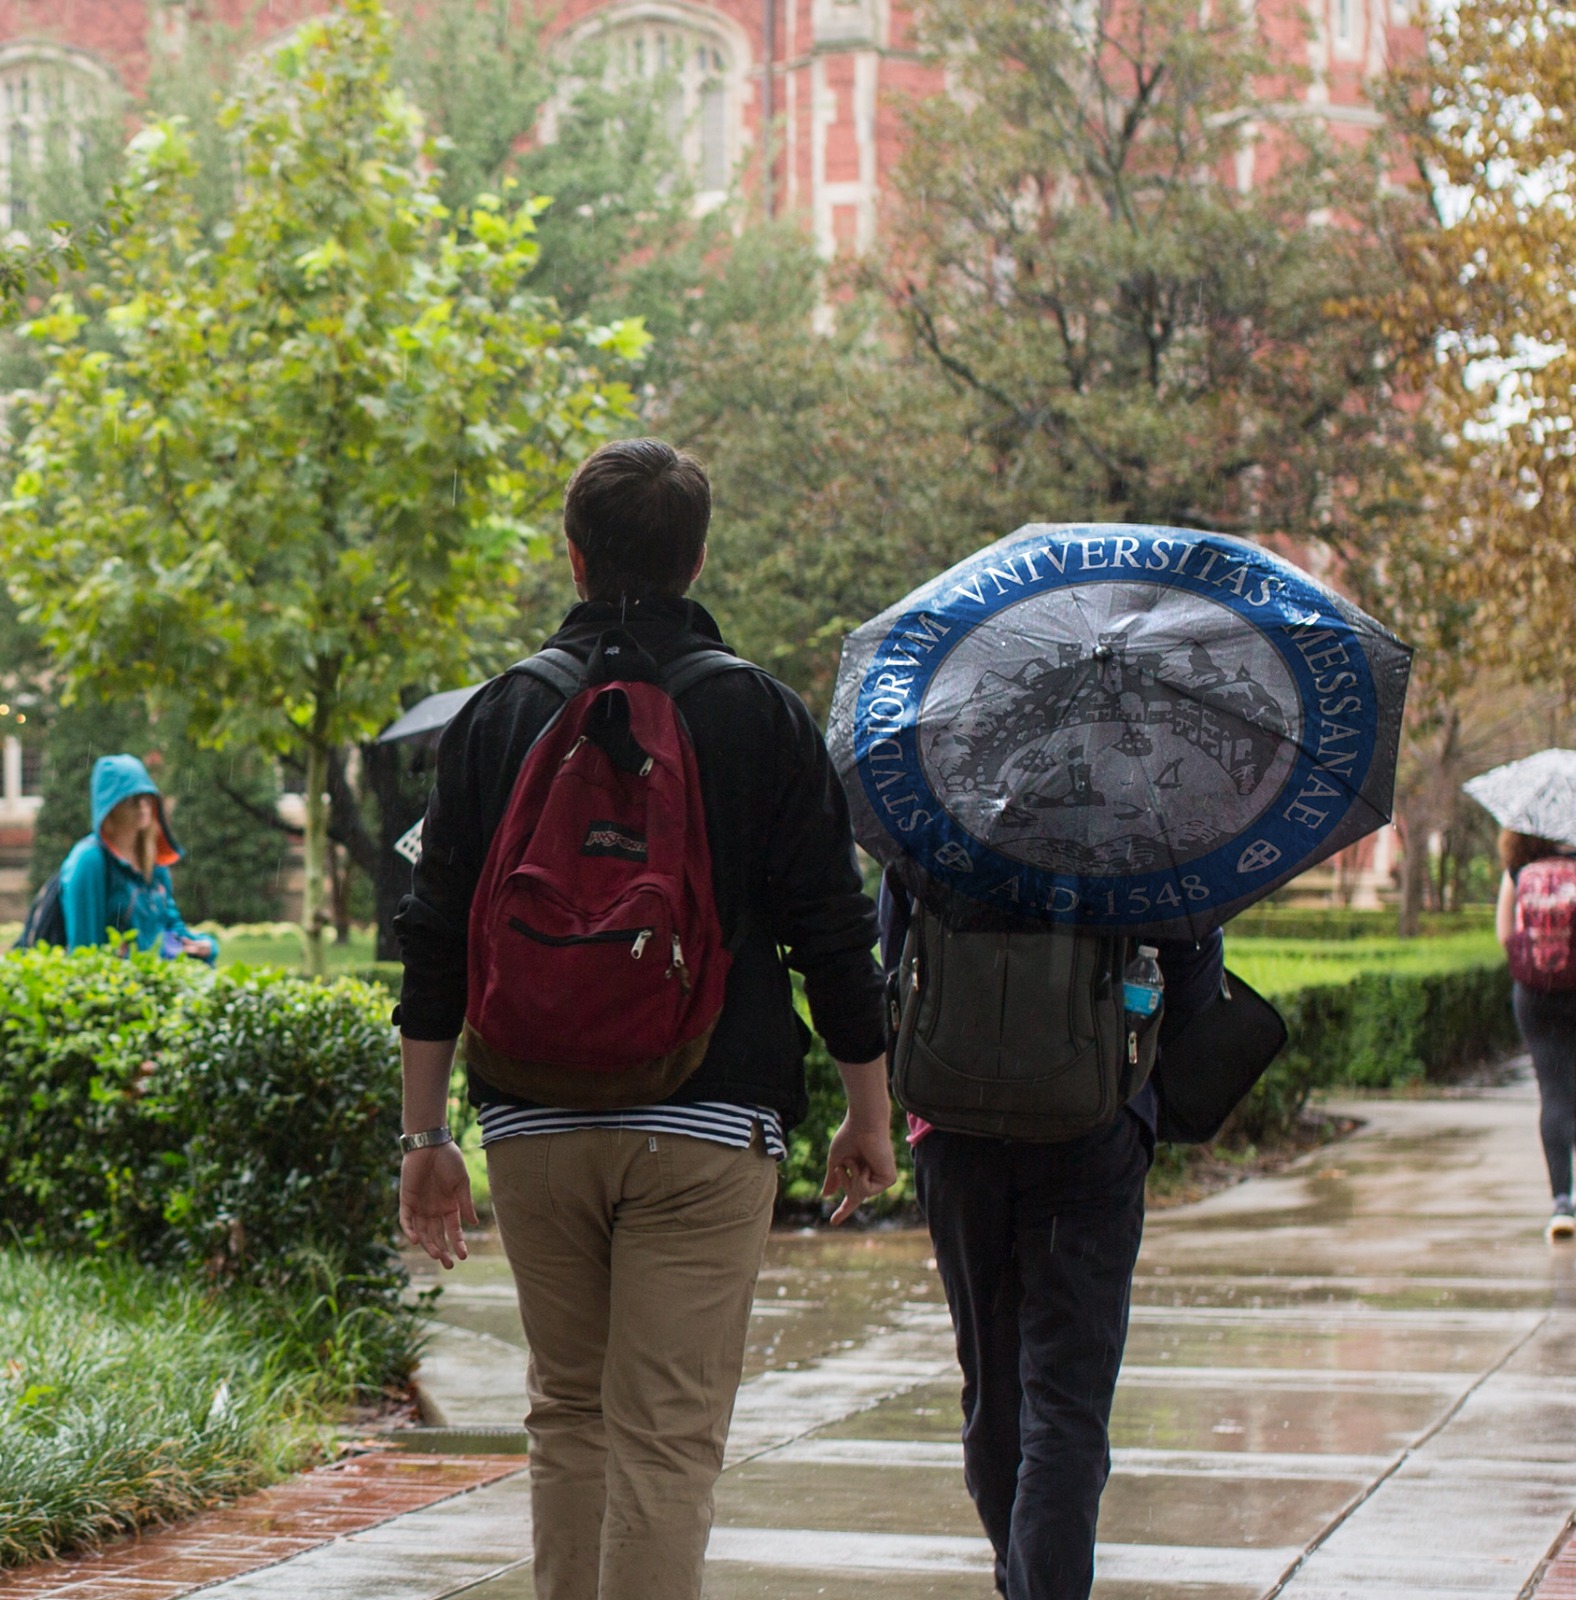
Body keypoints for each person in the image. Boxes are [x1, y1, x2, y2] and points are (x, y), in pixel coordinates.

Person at [393, 438, 895, 1600]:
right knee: (665, 1431)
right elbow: (833, 934)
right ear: (696, 557)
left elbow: (432, 933)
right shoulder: (761, 714)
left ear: (572, 556)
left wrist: (427, 1141)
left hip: (533, 1115)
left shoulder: (501, 712)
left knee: (568, 1411)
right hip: (710, 1121)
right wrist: (867, 1112)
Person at [881, 866, 1223, 1600]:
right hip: (1092, 1127)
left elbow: (894, 963)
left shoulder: (936, 802)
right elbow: (1192, 988)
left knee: (993, 1390)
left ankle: (1021, 1577)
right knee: (1066, 1404)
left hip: (953, 1124)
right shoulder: (1141, 829)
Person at [1495, 828, 1576, 1241]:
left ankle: (1560, 1203)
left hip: (1535, 996)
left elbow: (1505, 935)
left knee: (1555, 1094)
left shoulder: (1518, 869)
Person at [58, 754, 216, 960]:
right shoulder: (90, 860)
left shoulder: (152, 861)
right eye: (131, 798)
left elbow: (170, 928)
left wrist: (206, 946)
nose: (142, 805)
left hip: (156, 981)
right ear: (110, 806)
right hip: (116, 985)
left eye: (146, 796)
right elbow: (85, 950)